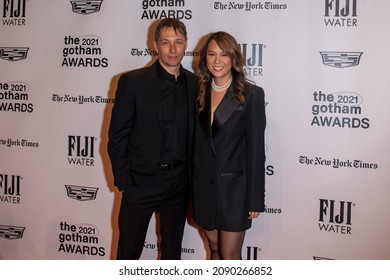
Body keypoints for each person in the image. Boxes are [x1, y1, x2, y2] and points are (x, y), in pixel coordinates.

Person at [107, 18, 197, 260]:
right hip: (142, 182)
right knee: (128, 254)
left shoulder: (196, 84)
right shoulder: (133, 82)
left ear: (186, 44)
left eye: (178, 42)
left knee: (171, 256)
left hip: (179, 185)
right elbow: (116, 138)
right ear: (155, 45)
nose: (172, 49)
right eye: (166, 42)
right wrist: (127, 184)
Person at [192, 31, 266, 260]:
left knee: (230, 255)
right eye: (211, 54)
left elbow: (256, 151)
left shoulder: (250, 94)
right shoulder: (198, 93)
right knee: (213, 249)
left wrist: (255, 198)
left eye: (224, 54)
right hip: (204, 188)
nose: (217, 61)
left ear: (233, 58)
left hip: (235, 191)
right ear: (204, 59)